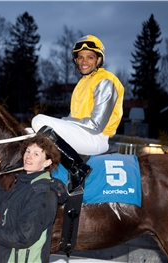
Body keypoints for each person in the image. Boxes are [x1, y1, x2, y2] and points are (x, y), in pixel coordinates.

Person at [32, 35, 124, 192]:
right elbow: (74, 119)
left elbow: (95, 125)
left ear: (99, 60)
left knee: (38, 121)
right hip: (82, 134)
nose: (84, 62)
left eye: (90, 57)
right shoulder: (82, 83)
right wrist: (63, 122)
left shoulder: (106, 80)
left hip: (95, 137)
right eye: (80, 57)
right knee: (28, 133)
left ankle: (78, 169)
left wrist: (63, 122)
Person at [0, 134, 66, 263]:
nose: (28, 156)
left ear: (47, 162)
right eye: (27, 151)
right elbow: (1, 203)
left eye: (36, 154)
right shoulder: (25, 184)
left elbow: (23, 237)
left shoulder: (42, 193)